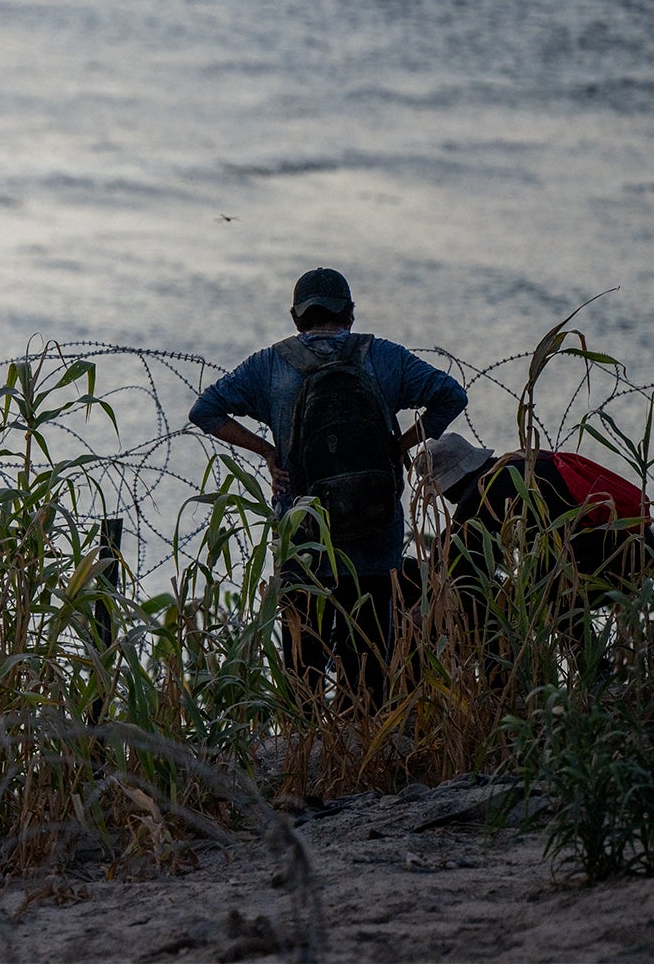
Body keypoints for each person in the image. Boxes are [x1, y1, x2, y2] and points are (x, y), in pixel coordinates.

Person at [188, 267, 468, 705]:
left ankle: (306, 754)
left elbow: (205, 410)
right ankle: (367, 750)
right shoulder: (384, 357)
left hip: (304, 534)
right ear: (350, 314)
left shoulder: (270, 364)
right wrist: (401, 444)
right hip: (375, 531)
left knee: (304, 666)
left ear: (297, 317)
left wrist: (267, 451)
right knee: (371, 660)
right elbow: (451, 395)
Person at [417, 431, 654, 654]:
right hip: (638, 546)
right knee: (545, 576)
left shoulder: (485, 490)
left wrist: (424, 602)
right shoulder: (517, 464)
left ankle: (588, 673)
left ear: (451, 481)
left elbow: (456, 552)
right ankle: (593, 671)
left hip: (617, 555)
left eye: (440, 491)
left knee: (545, 586)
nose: (446, 500)